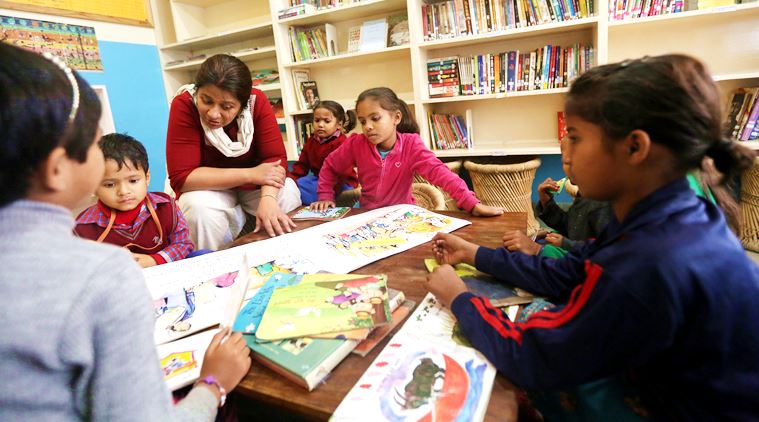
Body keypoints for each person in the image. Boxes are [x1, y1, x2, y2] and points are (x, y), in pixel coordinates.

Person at [424, 55, 759, 419]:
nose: (566, 149)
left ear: (635, 148)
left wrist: (459, 298)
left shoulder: (645, 259)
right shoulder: (674, 212)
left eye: (576, 137)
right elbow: (572, 271)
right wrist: (474, 253)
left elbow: (534, 357)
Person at [0, 43, 250, 420]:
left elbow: (181, 242)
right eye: (93, 141)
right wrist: (213, 384)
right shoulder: (100, 272)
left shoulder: (159, 207)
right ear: (57, 168)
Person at [166, 54, 301, 250]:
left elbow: (275, 159)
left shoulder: (257, 102)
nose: (213, 113)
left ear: (242, 105)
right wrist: (251, 174)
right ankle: (215, 267)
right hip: (212, 187)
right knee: (197, 207)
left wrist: (268, 198)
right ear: (197, 92)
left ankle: (289, 255)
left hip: (254, 186)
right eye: (206, 100)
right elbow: (183, 177)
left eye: (226, 107)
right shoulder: (184, 105)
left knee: (287, 191)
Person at [310, 87, 502, 217]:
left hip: (403, 216)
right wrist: (325, 196)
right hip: (368, 217)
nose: (367, 127)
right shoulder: (356, 144)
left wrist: (471, 203)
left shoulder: (412, 145)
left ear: (396, 118)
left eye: (375, 118)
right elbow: (330, 166)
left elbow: (442, 174)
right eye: (362, 121)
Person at [75, 133, 195, 268]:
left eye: (133, 181)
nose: (124, 191)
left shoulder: (166, 206)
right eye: (110, 184)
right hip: (117, 283)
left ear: (147, 177)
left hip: (166, 274)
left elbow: (184, 244)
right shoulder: (83, 227)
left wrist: (154, 260)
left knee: (202, 254)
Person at [503, 141, 611, 258]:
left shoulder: (603, 204)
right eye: (565, 162)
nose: (568, 168)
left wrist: (563, 245)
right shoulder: (584, 194)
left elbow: (606, 250)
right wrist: (546, 202)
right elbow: (570, 226)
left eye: (570, 163)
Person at [291, 100, 359, 205]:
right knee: (295, 185)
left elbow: (342, 174)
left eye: (327, 121)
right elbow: (302, 165)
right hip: (318, 179)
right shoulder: (312, 141)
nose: (320, 125)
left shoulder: (342, 143)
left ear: (339, 125)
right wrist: (292, 180)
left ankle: (341, 198)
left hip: (341, 182)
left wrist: (328, 192)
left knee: (310, 193)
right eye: (317, 120)